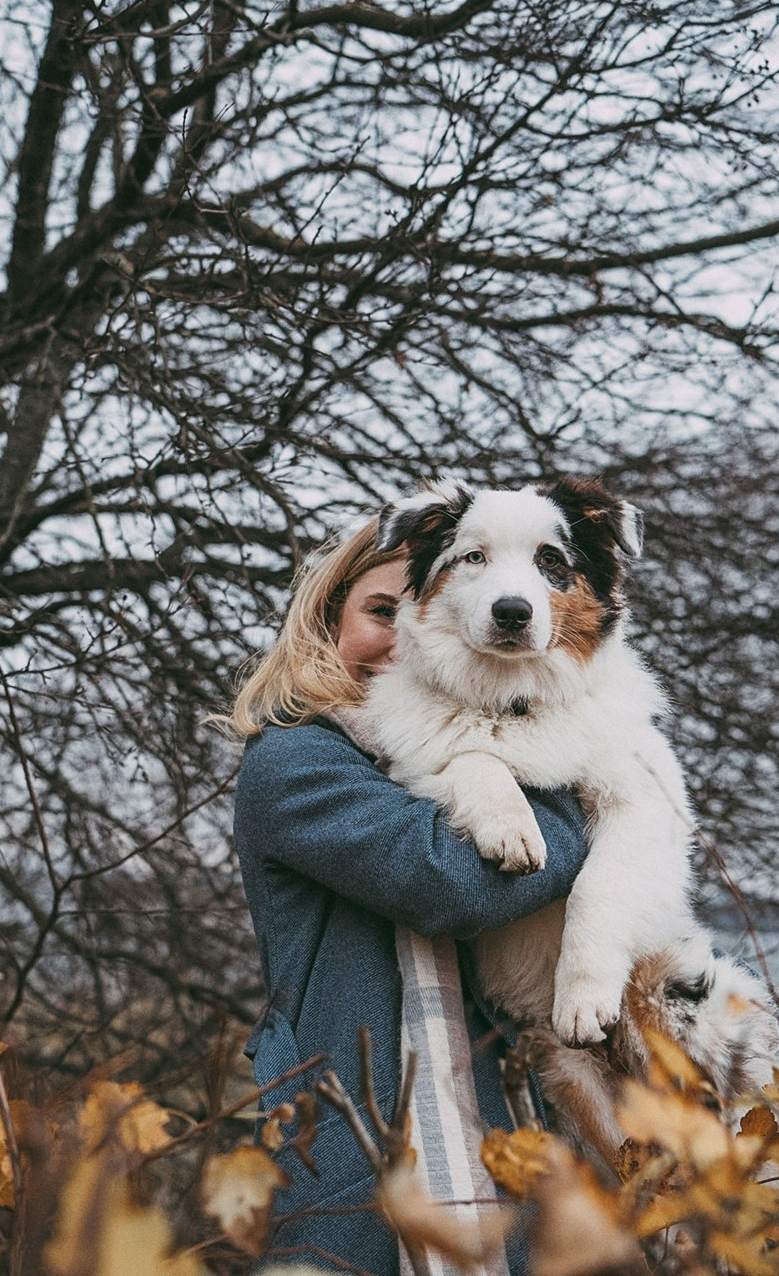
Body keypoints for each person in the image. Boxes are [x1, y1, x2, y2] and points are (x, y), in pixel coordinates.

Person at [222, 518, 591, 1275]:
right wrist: (573, 788)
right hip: (356, 1127)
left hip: (502, 1120)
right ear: (328, 621)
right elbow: (448, 881)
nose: (406, 639)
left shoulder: (479, 747)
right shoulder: (295, 762)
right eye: (382, 613)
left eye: (431, 612)